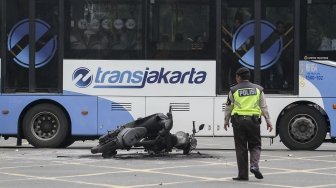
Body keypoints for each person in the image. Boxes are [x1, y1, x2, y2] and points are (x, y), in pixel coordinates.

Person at [224, 67, 273, 181]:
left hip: (238, 121)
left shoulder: (233, 90)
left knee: (241, 147)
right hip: (253, 121)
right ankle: (254, 165)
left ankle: (243, 175)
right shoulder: (258, 89)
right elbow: (263, 106)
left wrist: (226, 120)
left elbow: (228, 107)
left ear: (238, 77)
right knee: (255, 145)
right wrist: (268, 120)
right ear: (248, 77)